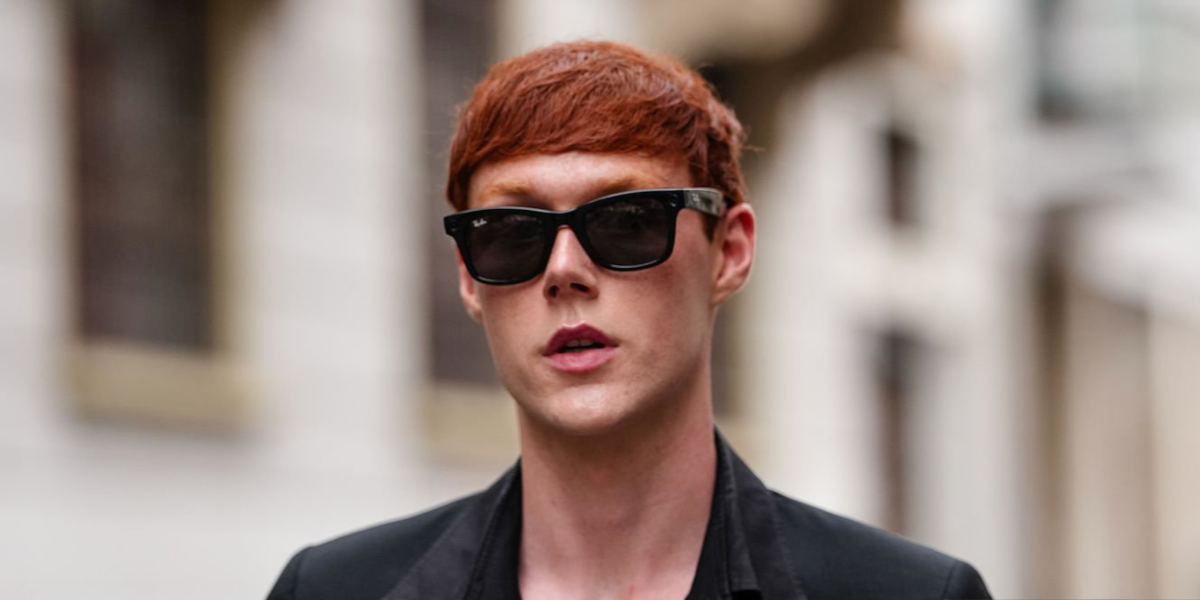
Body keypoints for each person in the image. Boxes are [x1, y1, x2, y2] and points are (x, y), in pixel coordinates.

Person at [266, 40, 991, 600]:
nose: (565, 270)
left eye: (627, 221)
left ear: (729, 252)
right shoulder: (330, 591)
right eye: (511, 233)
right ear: (468, 277)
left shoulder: (912, 595)